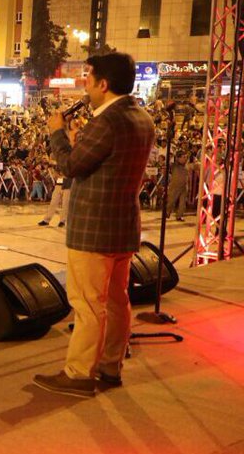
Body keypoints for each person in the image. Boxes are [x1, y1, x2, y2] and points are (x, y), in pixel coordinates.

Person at [34, 53, 155, 398]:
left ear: (103, 84)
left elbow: (71, 166)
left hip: (94, 230)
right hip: (122, 227)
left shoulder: (107, 122)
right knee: (117, 300)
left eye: (88, 77)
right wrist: (79, 140)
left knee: (88, 304)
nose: (84, 84)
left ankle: (78, 374)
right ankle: (110, 365)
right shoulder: (140, 117)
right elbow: (100, 164)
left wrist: (57, 134)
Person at [166, 152, 190, 221]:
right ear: (178, 158)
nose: (185, 159)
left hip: (184, 186)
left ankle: (179, 215)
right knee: (171, 201)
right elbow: (169, 163)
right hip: (175, 186)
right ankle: (167, 212)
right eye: (183, 157)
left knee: (182, 202)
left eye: (186, 157)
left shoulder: (187, 165)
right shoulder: (174, 165)